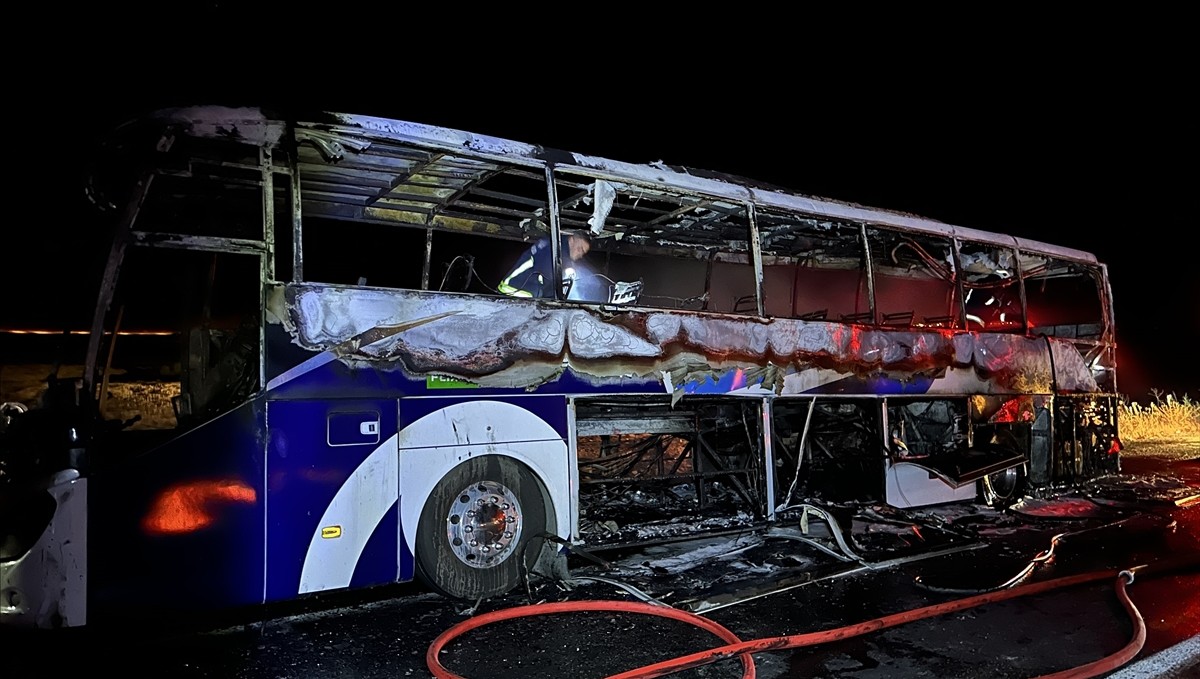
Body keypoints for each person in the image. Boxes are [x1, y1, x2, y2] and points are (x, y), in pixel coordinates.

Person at [498, 231, 591, 298]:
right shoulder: (552, 249)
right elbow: (549, 278)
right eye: (580, 249)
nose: (580, 254)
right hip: (515, 292)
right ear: (571, 240)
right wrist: (556, 300)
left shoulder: (560, 251)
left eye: (583, 253)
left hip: (523, 294)